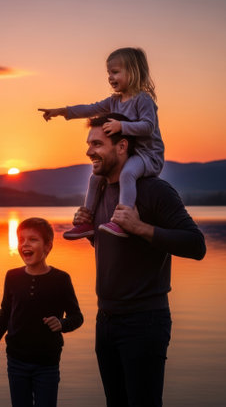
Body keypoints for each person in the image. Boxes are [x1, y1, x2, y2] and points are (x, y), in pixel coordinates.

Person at [76, 114, 206, 407]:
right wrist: (88, 229)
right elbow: (109, 246)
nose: (88, 151)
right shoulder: (98, 193)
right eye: (88, 144)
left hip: (144, 322)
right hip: (105, 321)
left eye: (97, 143)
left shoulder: (155, 190)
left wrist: (141, 228)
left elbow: (196, 245)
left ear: (122, 147)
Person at [39, 47, 164, 240]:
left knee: (128, 173)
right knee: (95, 178)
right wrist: (61, 111)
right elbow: (90, 109)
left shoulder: (143, 100)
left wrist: (121, 126)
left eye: (115, 72)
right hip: (128, 154)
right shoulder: (114, 101)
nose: (110, 77)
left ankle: (123, 220)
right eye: (108, 73)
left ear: (132, 72)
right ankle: (87, 222)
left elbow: (148, 126)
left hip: (147, 156)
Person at [0, 217, 84, 407]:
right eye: (21, 239)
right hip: (16, 361)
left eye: (32, 239)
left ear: (48, 246)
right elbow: (5, 315)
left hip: (47, 363)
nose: (25, 244)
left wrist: (62, 323)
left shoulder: (61, 279)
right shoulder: (12, 276)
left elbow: (77, 317)